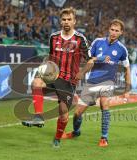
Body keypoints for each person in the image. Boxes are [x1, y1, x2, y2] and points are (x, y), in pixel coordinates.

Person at [22, 7, 90, 148]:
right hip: (54, 76)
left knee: (63, 114)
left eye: (69, 19)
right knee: (36, 82)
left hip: (69, 81)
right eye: (64, 19)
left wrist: (81, 73)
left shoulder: (79, 39)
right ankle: (38, 117)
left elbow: (90, 60)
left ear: (74, 21)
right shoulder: (53, 37)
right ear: (60, 21)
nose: (66, 22)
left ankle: (57, 139)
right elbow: (52, 57)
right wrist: (47, 67)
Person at [62, 19, 131, 147]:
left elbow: (127, 69)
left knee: (104, 105)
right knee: (77, 113)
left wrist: (127, 90)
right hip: (92, 82)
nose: (113, 32)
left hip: (108, 81)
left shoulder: (122, 49)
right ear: (109, 29)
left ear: (121, 33)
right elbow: (88, 60)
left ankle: (104, 138)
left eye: (117, 31)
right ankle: (76, 132)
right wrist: (97, 60)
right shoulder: (97, 42)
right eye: (112, 29)